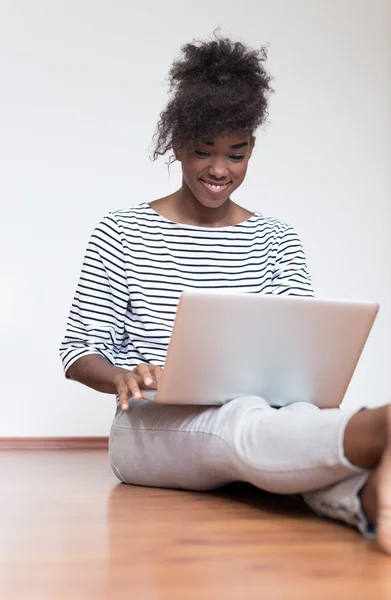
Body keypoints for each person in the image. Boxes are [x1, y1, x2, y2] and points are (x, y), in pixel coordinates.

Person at [60, 35, 391, 554]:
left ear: (252, 148)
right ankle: (377, 428)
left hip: (266, 417)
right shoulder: (121, 232)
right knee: (241, 423)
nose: (219, 170)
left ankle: (371, 499)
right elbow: (77, 352)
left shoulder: (276, 239)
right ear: (176, 145)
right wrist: (126, 376)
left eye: (236, 154)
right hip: (150, 428)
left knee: (287, 420)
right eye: (203, 152)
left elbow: (299, 358)